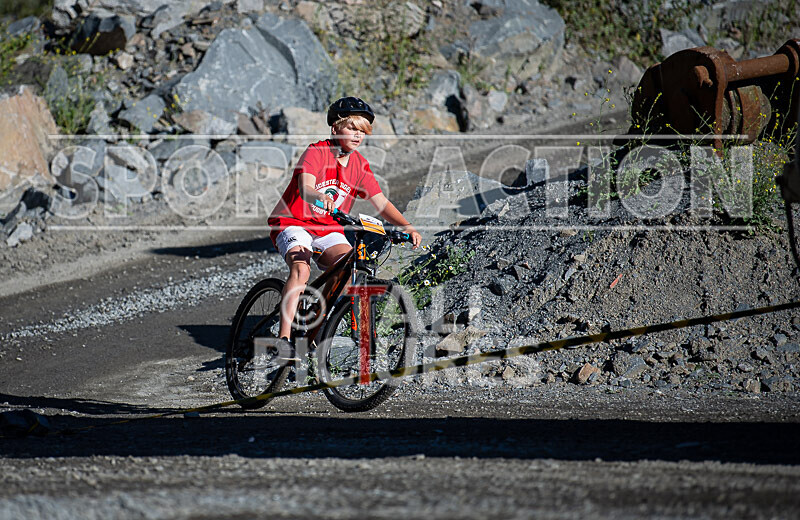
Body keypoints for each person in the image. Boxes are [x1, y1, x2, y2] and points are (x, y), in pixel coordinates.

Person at [267, 96, 422, 356]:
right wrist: (320, 198)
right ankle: (283, 338)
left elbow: (381, 203)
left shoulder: (359, 165)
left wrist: (407, 226)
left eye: (362, 131)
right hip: (294, 222)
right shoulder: (317, 151)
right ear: (335, 128)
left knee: (347, 267)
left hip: (328, 228)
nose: (358, 135)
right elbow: (305, 188)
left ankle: (312, 327)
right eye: (352, 128)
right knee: (301, 270)